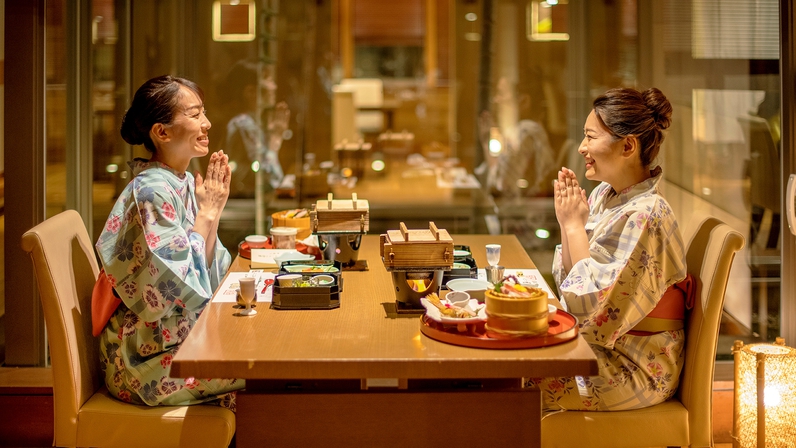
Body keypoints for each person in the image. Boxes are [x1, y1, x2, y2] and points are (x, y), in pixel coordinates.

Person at [527, 87, 688, 415]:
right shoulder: (606, 194)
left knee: (514, 380)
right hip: (604, 348)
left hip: (634, 364)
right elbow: (572, 289)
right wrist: (567, 222)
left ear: (628, 145)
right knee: (512, 359)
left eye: (590, 137)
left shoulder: (646, 214)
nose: (582, 147)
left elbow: (591, 314)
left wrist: (573, 226)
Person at [95, 75, 243, 410]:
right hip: (146, 362)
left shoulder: (182, 182)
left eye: (203, 112)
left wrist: (212, 211)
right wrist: (206, 214)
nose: (206, 123)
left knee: (266, 358)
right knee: (266, 372)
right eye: (194, 115)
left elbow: (204, 272)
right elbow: (176, 287)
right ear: (161, 132)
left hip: (178, 341)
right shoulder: (152, 192)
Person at [223, 59, 290, 198]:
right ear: (250, 92)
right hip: (245, 204)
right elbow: (269, 176)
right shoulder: (243, 124)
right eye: (267, 79)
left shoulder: (254, 121)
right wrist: (275, 139)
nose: (274, 86)